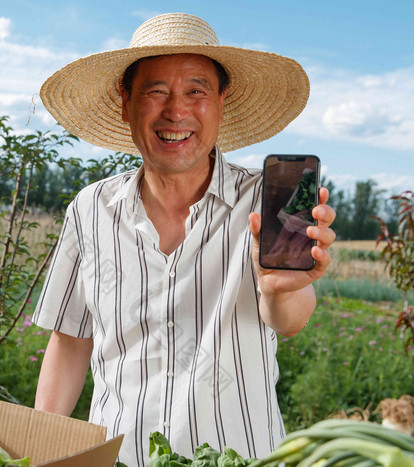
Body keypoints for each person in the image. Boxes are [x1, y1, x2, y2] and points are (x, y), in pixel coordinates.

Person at [31, 13, 336, 467]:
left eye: (196, 91)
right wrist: (38, 452)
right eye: (156, 92)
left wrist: (279, 288)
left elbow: (290, 319)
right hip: (118, 458)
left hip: (241, 457)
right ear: (125, 101)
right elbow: (72, 340)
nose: (176, 111)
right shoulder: (90, 207)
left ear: (221, 101)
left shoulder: (269, 199)